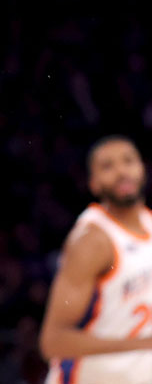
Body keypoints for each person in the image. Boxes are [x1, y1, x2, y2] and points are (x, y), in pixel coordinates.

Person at [41, 135, 152, 383]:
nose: (121, 171)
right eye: (107, 166)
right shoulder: (92, 241)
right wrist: (142, 345)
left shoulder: (149, 222)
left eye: (128, 160)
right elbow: (53, 341)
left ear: (142, 168)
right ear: (94, 184)